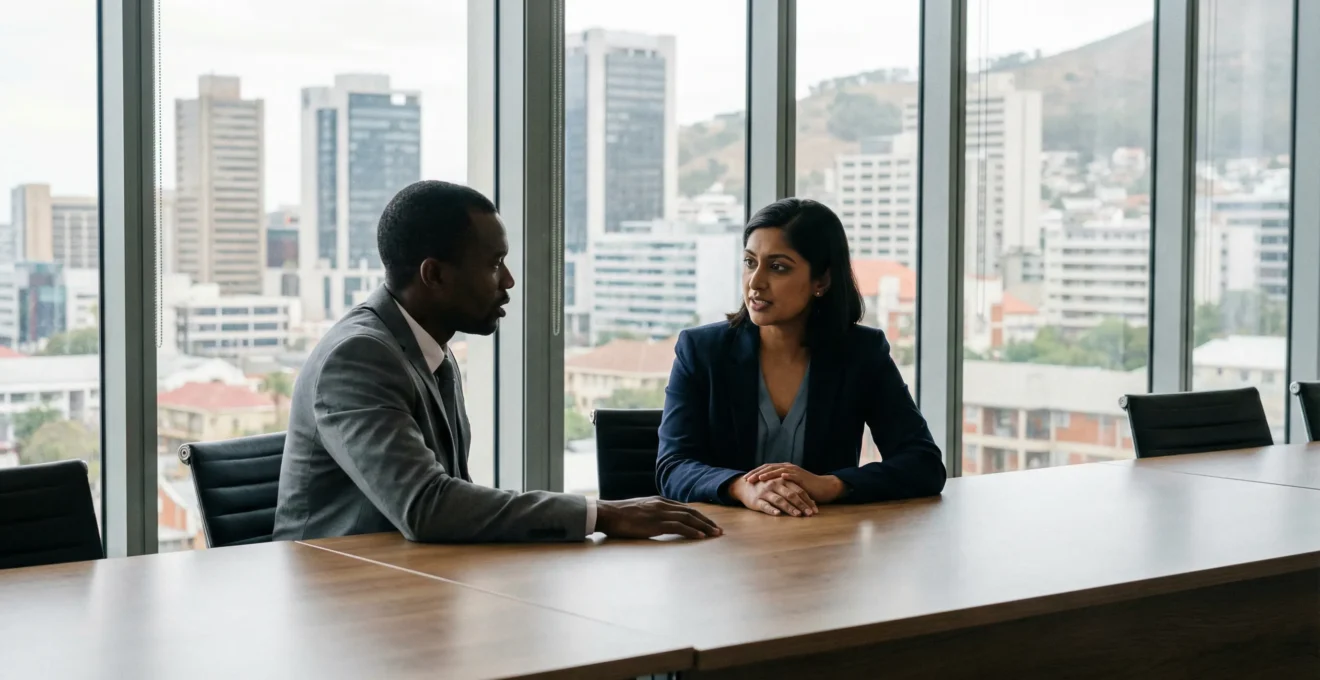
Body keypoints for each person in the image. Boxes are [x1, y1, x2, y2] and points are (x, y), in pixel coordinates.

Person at [274, 180, 721, 543]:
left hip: (416, 580)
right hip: (337, 603)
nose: (508, 281)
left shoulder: (426, 347)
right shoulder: (359, 357)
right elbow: (427, 506)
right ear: (435, 275)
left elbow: (452, 499)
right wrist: (600, 513)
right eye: (494, 264)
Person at [656, 197, 946, 517]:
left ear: (821, 281)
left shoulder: (861, 353)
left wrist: (832, 485)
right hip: (722, 548)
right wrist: (741, 487)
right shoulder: (701, 350)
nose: (755, 282)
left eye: (777, 267)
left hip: (822, 545)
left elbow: (924, 464)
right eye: (750, 262)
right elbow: (673, 467)